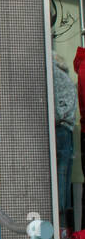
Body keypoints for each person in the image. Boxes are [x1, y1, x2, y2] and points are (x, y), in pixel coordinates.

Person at [54, 53, 78, 220]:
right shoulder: (63, 74)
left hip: (60, 127)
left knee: (60, 175)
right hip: (66, 127)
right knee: (63, 174)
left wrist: (55, 118)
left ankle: (59, 218)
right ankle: (61, 219)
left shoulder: (53, 73)